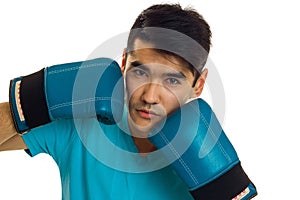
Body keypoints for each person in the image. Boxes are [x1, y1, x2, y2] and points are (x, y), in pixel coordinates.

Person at [0, 3, 256, 200]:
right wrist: (33, 101)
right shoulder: (82, 125)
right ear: (123, 63)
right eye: (140, 72)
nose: (149, 96)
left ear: (198, 85)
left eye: (172, 81)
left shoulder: (203, 153)